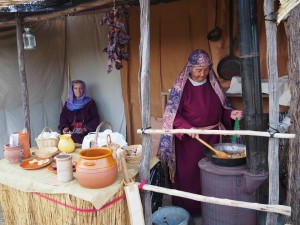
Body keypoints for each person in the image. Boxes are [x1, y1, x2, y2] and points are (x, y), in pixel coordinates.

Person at [158, 49, 243, 215]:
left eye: (206, 70)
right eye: (198, 70)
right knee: (191, 175)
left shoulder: (214, 85)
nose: (202, 74)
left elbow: (221, 108)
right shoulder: (181, 88)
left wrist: (230, 114)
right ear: (190, 69)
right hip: (190, 141)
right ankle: (190, 210)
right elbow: (172, 115)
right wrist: (188, 128)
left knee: (213, 174)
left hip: (213, 137)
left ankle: (213, 209)